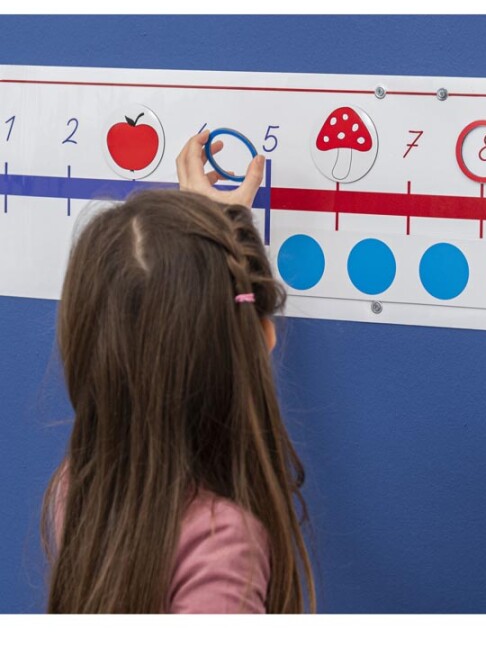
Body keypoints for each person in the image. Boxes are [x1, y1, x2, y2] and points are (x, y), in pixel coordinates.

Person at [41, 132, 314, 613]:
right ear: (263, 338)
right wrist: (213, 250)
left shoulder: (79, 486)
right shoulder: (223, 543)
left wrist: (208, 244)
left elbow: (147, 345)